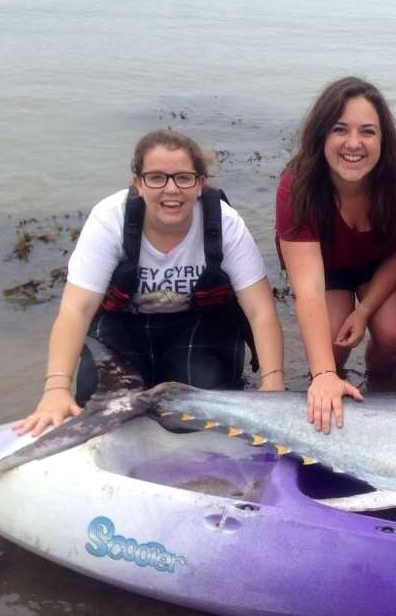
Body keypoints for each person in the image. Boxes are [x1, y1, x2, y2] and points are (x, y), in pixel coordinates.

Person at [14, 129, 285, 437]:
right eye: (156, 177)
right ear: (138, 183)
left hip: (199, 321)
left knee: (200, 408)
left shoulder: (225, 223)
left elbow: (260, 311)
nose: (171, 190)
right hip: (124, 321)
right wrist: (56, 387)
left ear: (200, 183)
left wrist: (272, 384)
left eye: (183, 177)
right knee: (102, 406)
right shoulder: (108, 220)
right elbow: (77, 309)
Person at [275, 77, 396, 433]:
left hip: (382, 261)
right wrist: (325, 373)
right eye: (340, 129)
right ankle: (332, 385)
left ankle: (379, 383)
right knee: (330, 346)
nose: (354, 144)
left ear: (383, 138)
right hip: (325, 269)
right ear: (321, 135)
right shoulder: (297, 186)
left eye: (368, 132)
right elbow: (308, 289)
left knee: (391, 339)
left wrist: (364, 310)